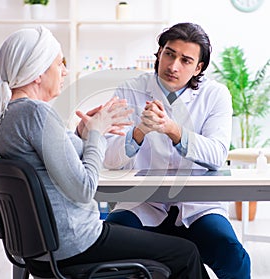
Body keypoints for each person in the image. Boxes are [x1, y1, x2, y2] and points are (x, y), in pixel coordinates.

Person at [0, 26, 210, 279]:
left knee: (168, 257)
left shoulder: (10, 114)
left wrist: (82, 133)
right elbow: (84, 188)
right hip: (75, 243)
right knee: (185, 252)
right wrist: (98, 133)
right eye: (59, 64)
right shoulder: (36, 113)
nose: (65, 71)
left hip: (42, 250)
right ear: (38, 72)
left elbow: (52, 159)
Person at [104, 22, 251, 279]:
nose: (173, 66)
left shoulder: (215, 95)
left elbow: (217, 155)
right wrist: (139, 132)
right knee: (109, 244)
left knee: (233, 257)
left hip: (198, 206)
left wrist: (174, 130)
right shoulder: (129, 89)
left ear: (199, 67)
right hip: (143, 203)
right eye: (169, 54)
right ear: (159, 53)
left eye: (186, 60)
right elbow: (109, 158)